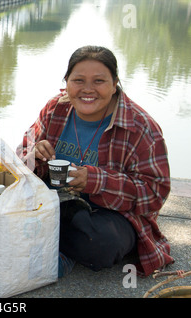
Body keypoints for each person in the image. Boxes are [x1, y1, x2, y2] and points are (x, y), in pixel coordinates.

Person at [17, 45, 173, 277]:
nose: (87, 90)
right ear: (67, 81)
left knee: (101, 244)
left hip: (110, 214)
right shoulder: (55, 109)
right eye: (78, 80)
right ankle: (57, 243)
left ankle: (47, 241)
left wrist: (96, 181)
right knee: (2, 200)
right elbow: (22, 153)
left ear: (114, 84)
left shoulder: (140, 127)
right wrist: (35, 154)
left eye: (99, 81)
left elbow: (155, 193)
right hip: (57, 200)